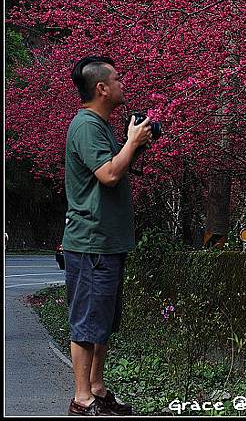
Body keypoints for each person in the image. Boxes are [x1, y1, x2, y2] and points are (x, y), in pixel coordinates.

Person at [63, 55, 152, 416]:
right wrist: (130, 143)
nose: (121, 84)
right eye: (116, 79)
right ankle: (82, 399)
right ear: (101, 88)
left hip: (108, 242)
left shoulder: (100, 125)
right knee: (86, 321)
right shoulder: (85, 125)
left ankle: (97, 388)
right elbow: (109, 175)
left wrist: (136, 143)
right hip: (90, 243)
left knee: (103, 321)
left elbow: (114, 164)